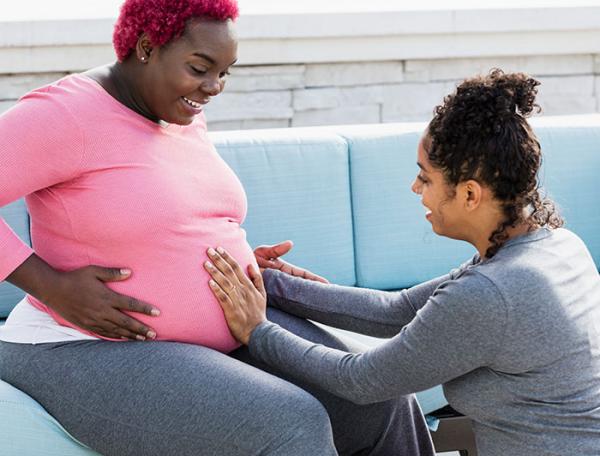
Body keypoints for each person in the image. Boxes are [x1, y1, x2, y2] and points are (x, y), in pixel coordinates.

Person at [0, 0, 436, 455]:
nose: (213, 87)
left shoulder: (176, 110)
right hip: (80, 347)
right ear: (147, 47)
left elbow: (171, 214)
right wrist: (50, 285)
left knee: (378, 396)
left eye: (225, 72)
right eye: (200, 68)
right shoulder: (67, 113)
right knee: (289, 424)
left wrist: (236, 258)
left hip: (219, 334)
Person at [205, 69, 600, 456]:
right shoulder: (553, 246)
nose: (416, 189)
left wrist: (257, 331)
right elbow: (401, 308)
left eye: (425, 179)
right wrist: (273, 285)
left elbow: (361, 380)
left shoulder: (493, 293)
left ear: (469, 194)